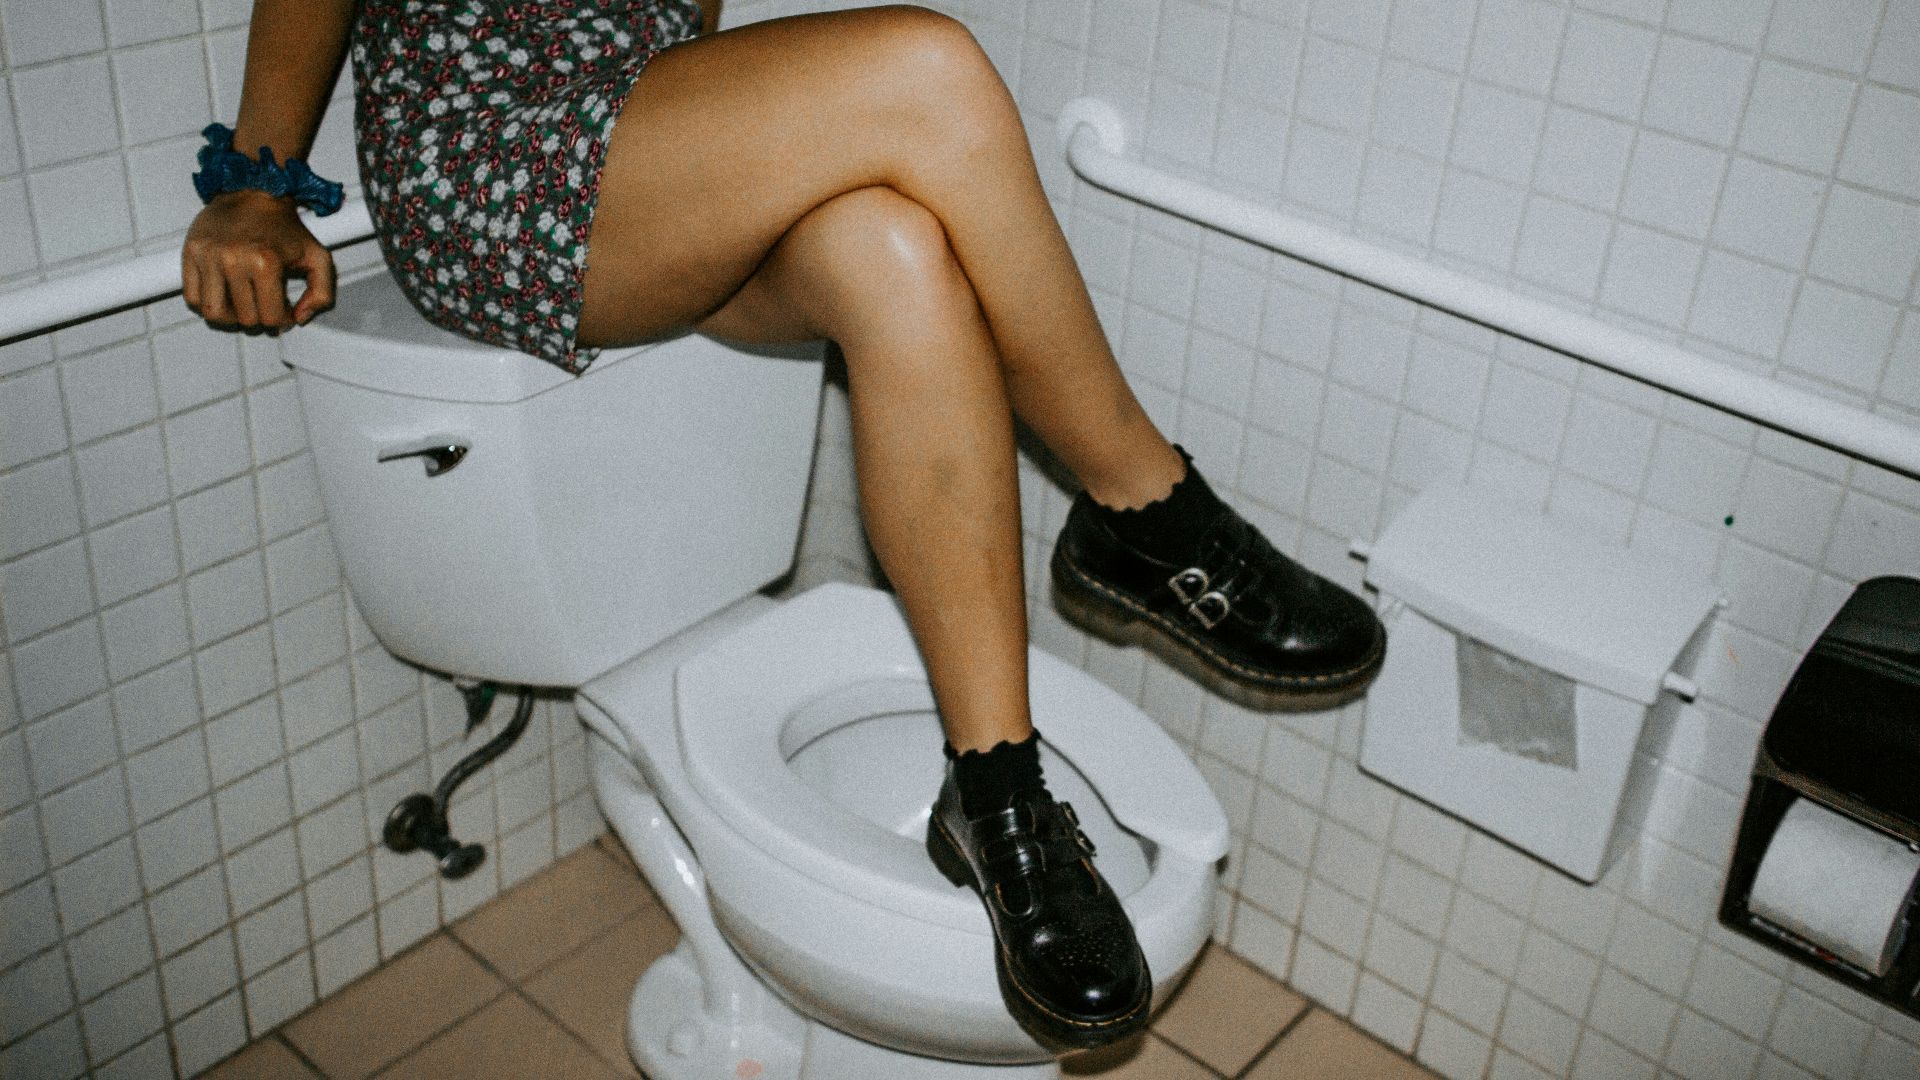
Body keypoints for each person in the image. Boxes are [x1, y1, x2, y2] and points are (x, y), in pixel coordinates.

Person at [181, 0, 1386, 1051]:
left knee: (896, 252)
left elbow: (679, 33)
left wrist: (721, 165)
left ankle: (997, 795)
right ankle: (1145, 507)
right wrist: (255, 181)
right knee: (928, 65)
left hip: (636, 145)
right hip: (492, 153)